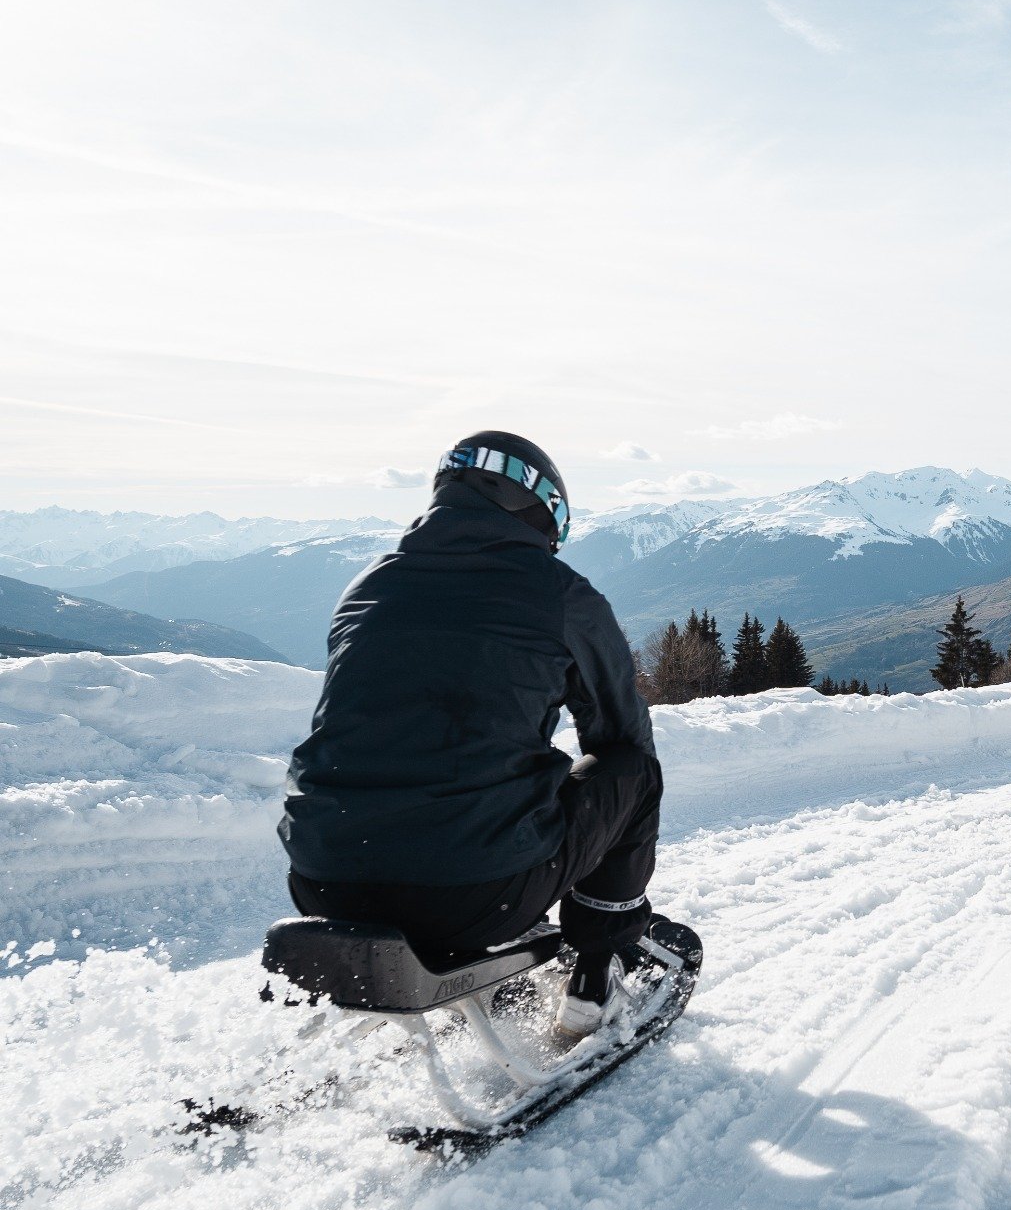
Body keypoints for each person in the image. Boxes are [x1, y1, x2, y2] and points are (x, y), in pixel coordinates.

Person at [278, 431, 700, 1038]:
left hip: (322, 884)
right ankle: (598, 967)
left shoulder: (368, 584)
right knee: (633, 774)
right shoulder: (559, 594)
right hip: (473, 896)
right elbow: (621, 735)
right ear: (542, 508)